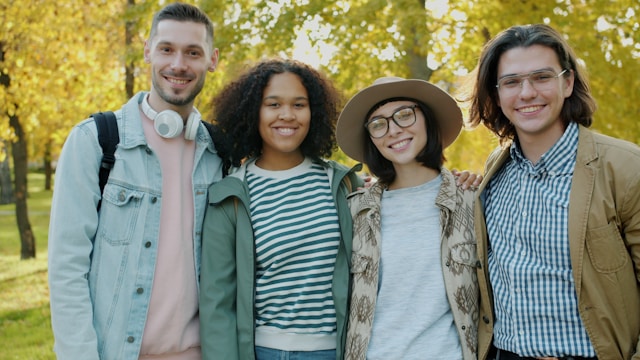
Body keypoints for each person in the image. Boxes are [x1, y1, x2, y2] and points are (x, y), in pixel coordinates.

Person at [48, 3, 221, 359]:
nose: (178, 64)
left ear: (212, 60)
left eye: (193, 52)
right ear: (147, 51)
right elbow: (67, 270)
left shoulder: (221, 154)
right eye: (166, 49)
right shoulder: (96, 141)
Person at [466, 24, 640, 360]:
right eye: (512, 82)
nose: (527, 93)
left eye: (542, 77)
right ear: (497, 93)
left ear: (568, 82)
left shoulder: (625, 167)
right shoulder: (494, 173)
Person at [198, 58, 363, 360]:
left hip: (340, 350)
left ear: (314, 112)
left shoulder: (343, 182)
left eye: (299, 105)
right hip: (268, 352)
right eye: (273, 105)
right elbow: (217, 303)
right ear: (252, 113)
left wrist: (459, 182)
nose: (287, 115)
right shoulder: (231, 195)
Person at [335, 76, 481, 360]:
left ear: (427, 119)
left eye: (404, 115)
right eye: (378, 124)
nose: (393, 130)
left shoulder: (471, 200)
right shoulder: (355, 210)